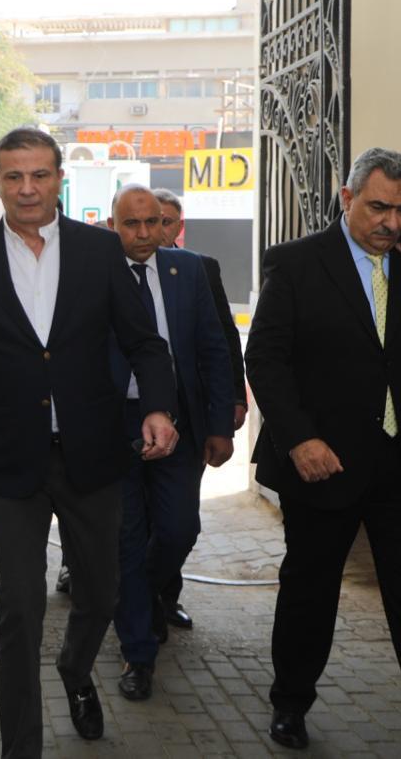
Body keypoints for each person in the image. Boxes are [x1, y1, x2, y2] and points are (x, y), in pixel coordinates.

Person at [245, 147, 401, 756]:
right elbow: (266, 359)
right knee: (310, 593)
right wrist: (299, 438)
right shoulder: (297, 263)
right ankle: (291, 701)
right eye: (379, 207)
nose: (391, 222)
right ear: (347, 198)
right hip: (324, 462)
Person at [0, 127, 178, 756]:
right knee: (18, 606)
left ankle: (74, 666)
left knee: (101, 592)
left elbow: (146, 343)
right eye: (13, 176)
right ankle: (22, 747)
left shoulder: (100, 250)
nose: (27, 188)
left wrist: (157, 407)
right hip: (13, 462)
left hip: (92, 455)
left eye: (39, 175)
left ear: (59, 179)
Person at [105, 185, 234, 701]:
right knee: (127, 538)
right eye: (132, 224)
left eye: (153, 222)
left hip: (178, 420)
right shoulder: (94, 274)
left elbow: (214, 348)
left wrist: (221, 425)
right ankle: (138, 652)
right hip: (116, 423)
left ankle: (143, 595)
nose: (144, 234)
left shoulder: (189, 271)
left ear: (166, 224)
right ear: (113, 226)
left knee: (180, 527)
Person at [153, 187, 248, 629]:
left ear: (179, 225)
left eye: (166, 220)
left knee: (178, 521)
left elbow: (223, 338)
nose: (157, 228)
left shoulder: (199, 268)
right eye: (149, 219)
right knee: (137, 520)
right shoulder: (112, 269)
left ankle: (162, 595)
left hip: (189, 418)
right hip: (131, 421)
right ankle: (138, 605)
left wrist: (234, 400)